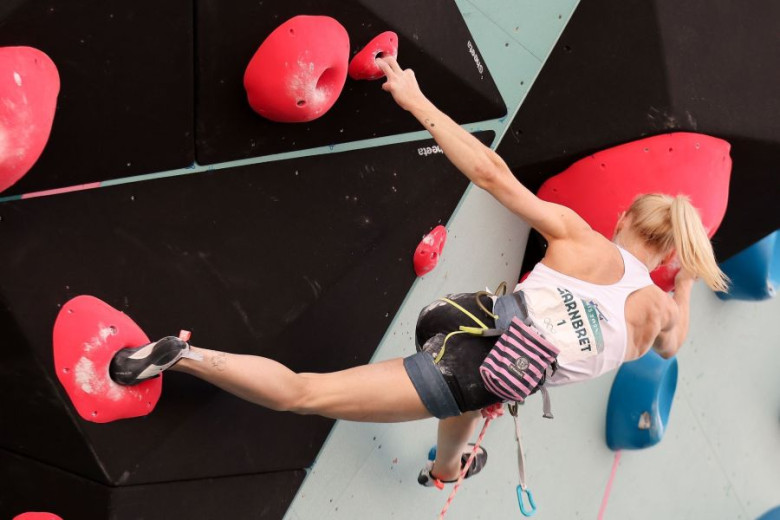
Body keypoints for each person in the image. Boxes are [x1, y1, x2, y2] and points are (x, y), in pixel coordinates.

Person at [109, 56, 729, 487]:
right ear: (672, 256)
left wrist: (412, 96)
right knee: (307, 393)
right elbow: (673, 348)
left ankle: (448, 468)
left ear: (623, 219)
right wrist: (684, 285)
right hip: (477, 366)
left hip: (470, 318)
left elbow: (491, 173)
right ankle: (185, 358)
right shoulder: (661, 312)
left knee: (477, 395)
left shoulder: (578, 234)